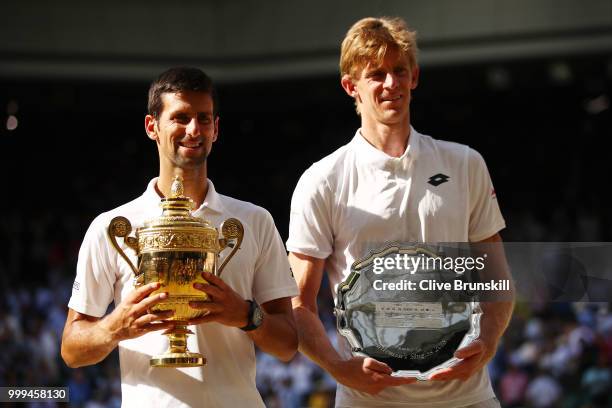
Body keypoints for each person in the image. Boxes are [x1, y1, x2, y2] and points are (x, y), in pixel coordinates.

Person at [287, 17, 514, 407]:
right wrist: (338, 367)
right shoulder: (322, 179)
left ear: (414, 78)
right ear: (350, 86)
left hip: (467, 396)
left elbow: (496, 277)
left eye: (399, 71)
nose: (390, 84)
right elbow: (297, 303)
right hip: (369, 400)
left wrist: (489, 339)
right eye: (376, 74)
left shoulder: (464, 163)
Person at [61, 67, 298, 407]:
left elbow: (288, 343)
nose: (193, 130)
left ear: (216, 129)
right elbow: (71, 349)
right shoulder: (111, 227)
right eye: (180, 117)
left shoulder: (254, 221)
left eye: (204, 119)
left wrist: (246, 315)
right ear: (152, 127)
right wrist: (116, 326)